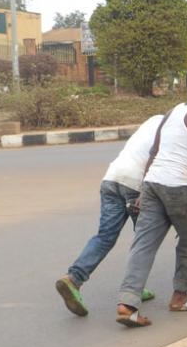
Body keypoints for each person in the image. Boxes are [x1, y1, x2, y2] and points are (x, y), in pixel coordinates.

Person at [115, 66, 187, 328]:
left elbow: (154, 152)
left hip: (153, 184)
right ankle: (181, 296)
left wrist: (143, 191)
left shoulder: (171, 112)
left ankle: (127, 304)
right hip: (178, 186)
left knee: (144, 243)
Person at [55, 116, 164, 316]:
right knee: (144, 240)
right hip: (136, 183)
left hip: (112, 178)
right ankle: (133, 289)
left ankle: (73, 279)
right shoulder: (175, 128)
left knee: (105, 236)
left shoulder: (155, 120)